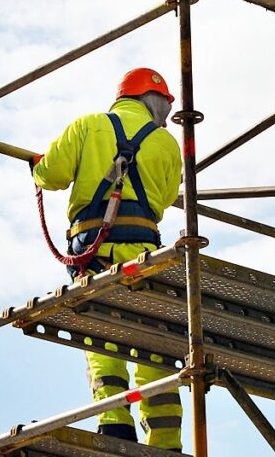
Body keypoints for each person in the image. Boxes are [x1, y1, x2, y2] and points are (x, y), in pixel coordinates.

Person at [32, 68, 183, 450]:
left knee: (103, 337)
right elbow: (166, 198)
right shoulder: (166, 143)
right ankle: (166, 442)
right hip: (145, 252)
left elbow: (51, 175)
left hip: (94, 252)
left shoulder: (88, 126)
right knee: (154, 342)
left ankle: (115, 424)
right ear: (155, 102)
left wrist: (38, 165)